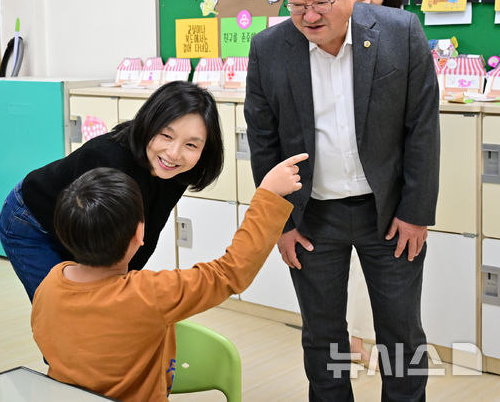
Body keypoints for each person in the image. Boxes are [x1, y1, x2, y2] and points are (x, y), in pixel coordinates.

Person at [245, 0, 439, 401]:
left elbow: (422, 128)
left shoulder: (401, 31)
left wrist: (415, 211)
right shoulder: (269, 49)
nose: (309, 16)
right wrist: (281, 222)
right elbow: (264, 141)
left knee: (400, 334)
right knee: (322, 337)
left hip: (389, 214)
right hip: (312, 217)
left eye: (322, 0)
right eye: (296, 3)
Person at [32, 157, 305, 401]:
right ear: (140, 233)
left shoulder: (51, 283)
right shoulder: (147, 294)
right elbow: (230, 272)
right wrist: (268, 195)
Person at [0, 80, 225, 301]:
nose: (174, 153)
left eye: (191, 145)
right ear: (148, 124)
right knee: (66, 310)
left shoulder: (177, 171)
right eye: (166, 136)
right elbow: (89, 240)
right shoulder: (107, 160)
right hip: (30, 221)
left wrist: (122, 287)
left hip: (79, 232)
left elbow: (147, 233)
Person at [347, 0, 404, 366]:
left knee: (398, 316)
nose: (368, 1)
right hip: (337, 192)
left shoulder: (402, 39)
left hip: (387, 193)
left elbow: (419, 128)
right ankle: (352, 340)